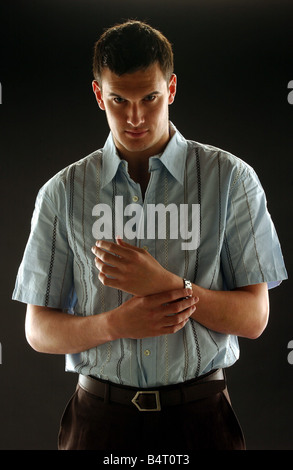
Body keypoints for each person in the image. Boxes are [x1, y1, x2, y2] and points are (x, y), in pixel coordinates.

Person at [13, 20, 287, 451]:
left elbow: (255, 319)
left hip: (201, 421)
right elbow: (37, 330)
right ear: (98, 94)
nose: (135, 117)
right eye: (119, 100)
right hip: (97, 422)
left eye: (150, 98)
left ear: (172, 89)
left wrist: (167, 284)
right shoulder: (62, 193)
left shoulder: (232, 179)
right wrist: (115, 324)